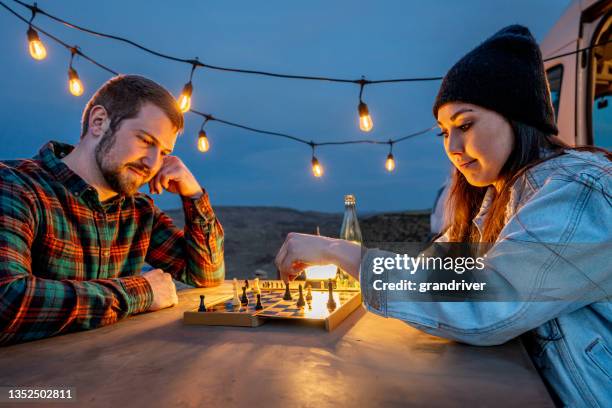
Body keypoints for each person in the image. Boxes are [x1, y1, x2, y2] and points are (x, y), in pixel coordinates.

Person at [275, 26, 611, 407]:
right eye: (444, 133)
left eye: (464, 125)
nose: (452, 147)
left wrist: (342, 252)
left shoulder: (578, 189)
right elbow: (439, 273)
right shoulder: (496, 198)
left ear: (519, 117)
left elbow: (489, 301)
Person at [0, 75, 224, 346]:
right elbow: (7, 301)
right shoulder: (15, 187)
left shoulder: (139, 212)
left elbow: (206, 274)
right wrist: (138, 292)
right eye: (145, 140)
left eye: (164, 152)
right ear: (99, 122)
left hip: (111, 380)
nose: (153, 162)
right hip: (22, 385)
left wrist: (194, 195)